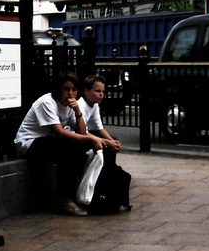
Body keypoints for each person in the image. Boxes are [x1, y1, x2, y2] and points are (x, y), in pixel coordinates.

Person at [14, 72, 104, 217]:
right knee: (68, 145)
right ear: (59, 90)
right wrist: (91, 139)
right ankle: (65, 199)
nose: (70, 93)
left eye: (74, 90)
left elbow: (81, 132)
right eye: (66, 89)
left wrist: (77, 111)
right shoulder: (47, 102)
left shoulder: (70, 105)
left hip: (49, 141)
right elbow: (59, 133)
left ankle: (83, 193)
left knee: (79, 146)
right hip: (29, 143)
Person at [76, 75, 130, 212]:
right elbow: (83, 133)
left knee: (112, 139)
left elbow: (99, 128)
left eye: (103, 92)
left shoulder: (94, 106)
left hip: (86, 136)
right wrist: (108, 143)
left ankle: (106, 175)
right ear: (86, 91)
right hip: (78, 139)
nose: (101, 95)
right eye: (97, 91)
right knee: (105, 145)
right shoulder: (80, 105)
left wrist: (112, 141)